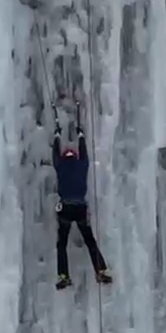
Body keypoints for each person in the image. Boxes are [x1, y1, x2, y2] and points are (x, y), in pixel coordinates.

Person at [53, 123, 112, 289]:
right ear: (75, 157)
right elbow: (84, 153)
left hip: (65, 208)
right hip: (80, 208)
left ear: (65, 158)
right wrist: (81, 136)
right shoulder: (82, 165)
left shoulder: (60, 165)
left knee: (62, 244)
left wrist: (57, 136)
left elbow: (55, 154)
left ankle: (63, 275)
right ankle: (101, 270)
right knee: (90, 241)